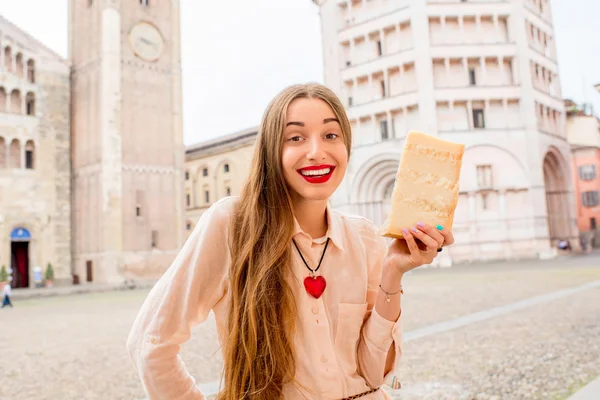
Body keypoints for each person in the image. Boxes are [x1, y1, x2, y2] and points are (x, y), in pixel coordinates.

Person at [126, 83, 454, 400]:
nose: (316, 151)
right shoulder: (231, 224)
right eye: (295, 137)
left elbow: (373, 374)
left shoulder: (365, 237)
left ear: (346, 147)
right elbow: (150, 342)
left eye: (330, 135)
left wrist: (393, 271)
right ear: (271, 151)